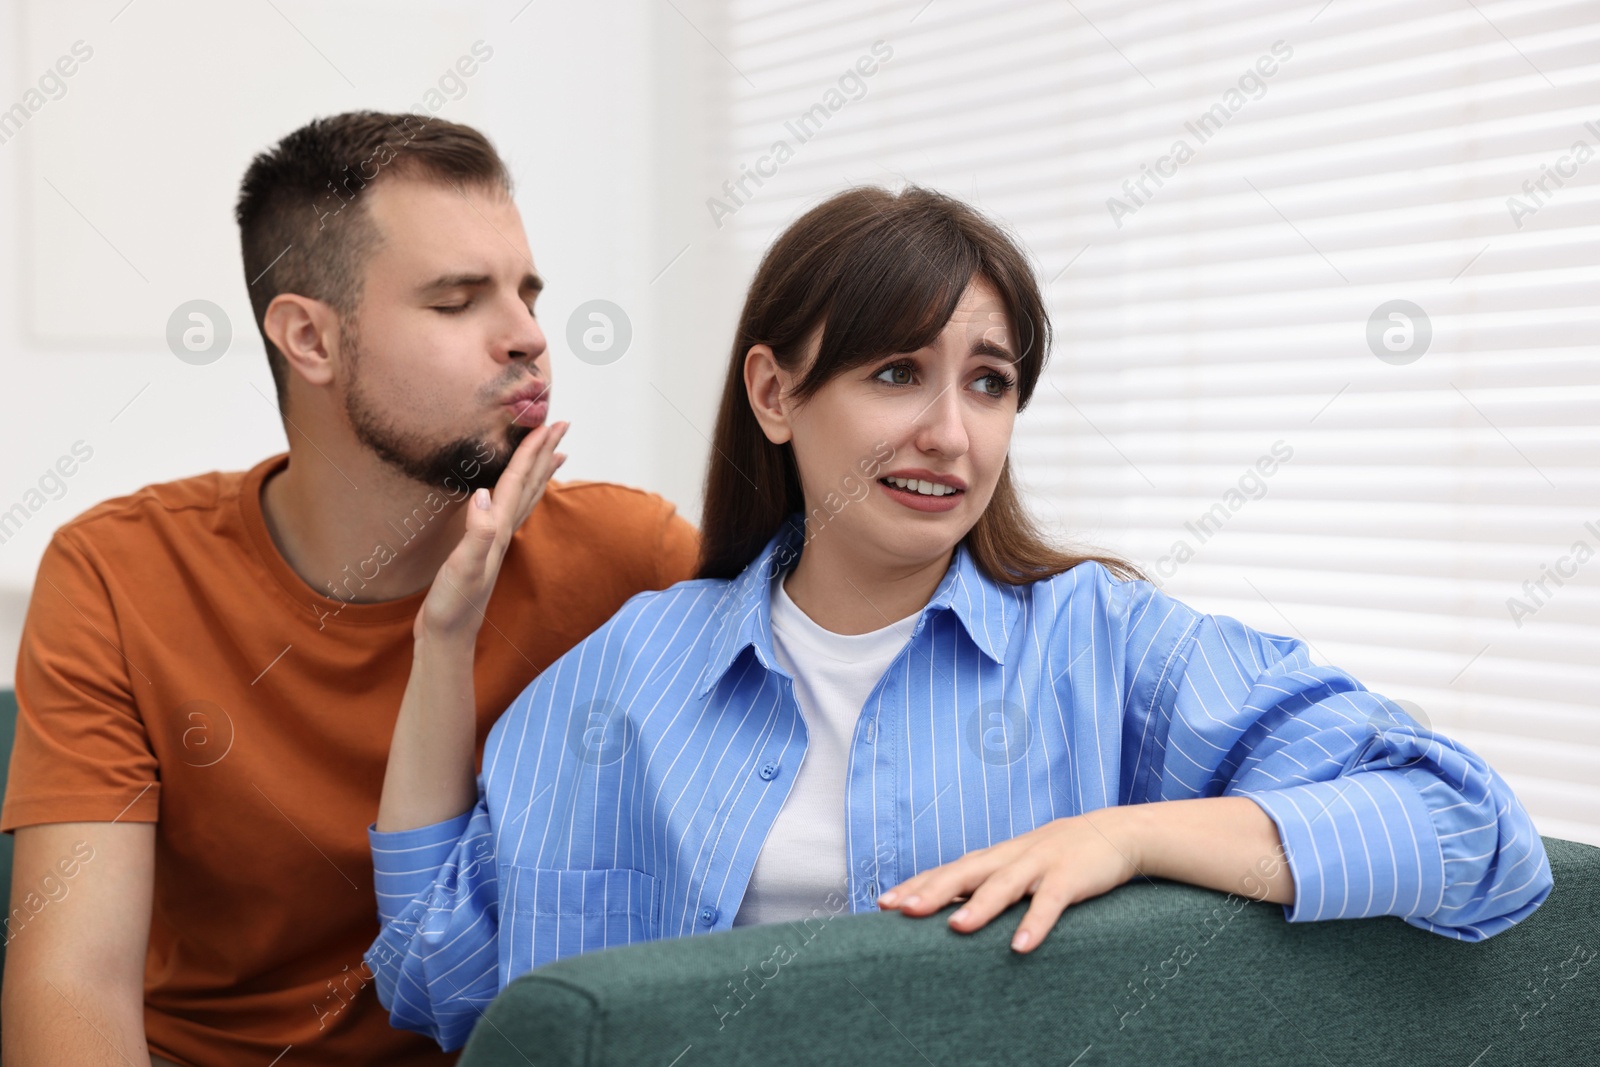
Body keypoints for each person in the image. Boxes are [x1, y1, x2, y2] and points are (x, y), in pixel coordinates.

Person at [366, 184, 1553, 1052]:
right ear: (776, 393)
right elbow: (438, 974)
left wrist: (1129, 838)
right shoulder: (632, 668)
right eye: (896, 373)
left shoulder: (1102, 643)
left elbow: (1470, 832)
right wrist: (441, 643)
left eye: (988, 381)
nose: (951, 432)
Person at [0, 111, 699, 1067]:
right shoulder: (117, 574)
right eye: (459, 302)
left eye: (527, 293)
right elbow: (72, 979)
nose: (528, 336)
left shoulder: (633, 558)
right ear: (310, 339)